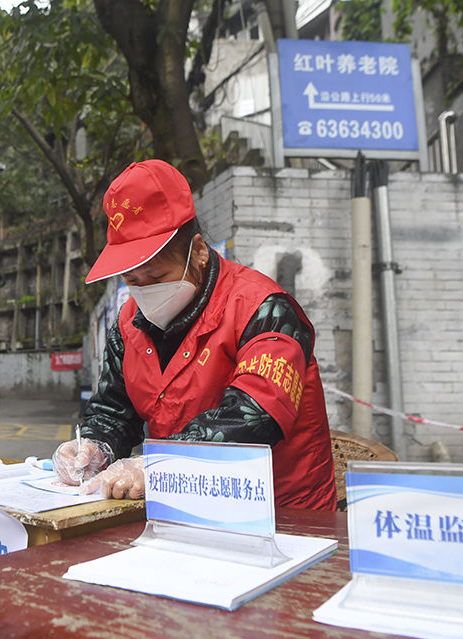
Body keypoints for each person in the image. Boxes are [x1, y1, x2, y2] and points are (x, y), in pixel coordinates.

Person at [52, 159, 336, 510]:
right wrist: (95, 447)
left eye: (156, 277)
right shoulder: (128, 325)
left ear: (199, 252)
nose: (144, 292)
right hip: (181, 509)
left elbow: (254, 416)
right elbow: (113, 410)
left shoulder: (263, 309)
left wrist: (158, 465)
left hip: (282, 515)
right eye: (132, 281)